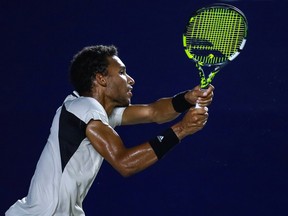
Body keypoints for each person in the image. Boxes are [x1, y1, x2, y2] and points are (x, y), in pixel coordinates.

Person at [6, 45, 214, 215]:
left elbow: (154, 112)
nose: (131, 79)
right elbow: (125, 164)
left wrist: (187, 98)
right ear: (101, 79)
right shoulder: (85, 110)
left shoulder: (94, 111)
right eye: (122, 72)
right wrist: (182, 129)